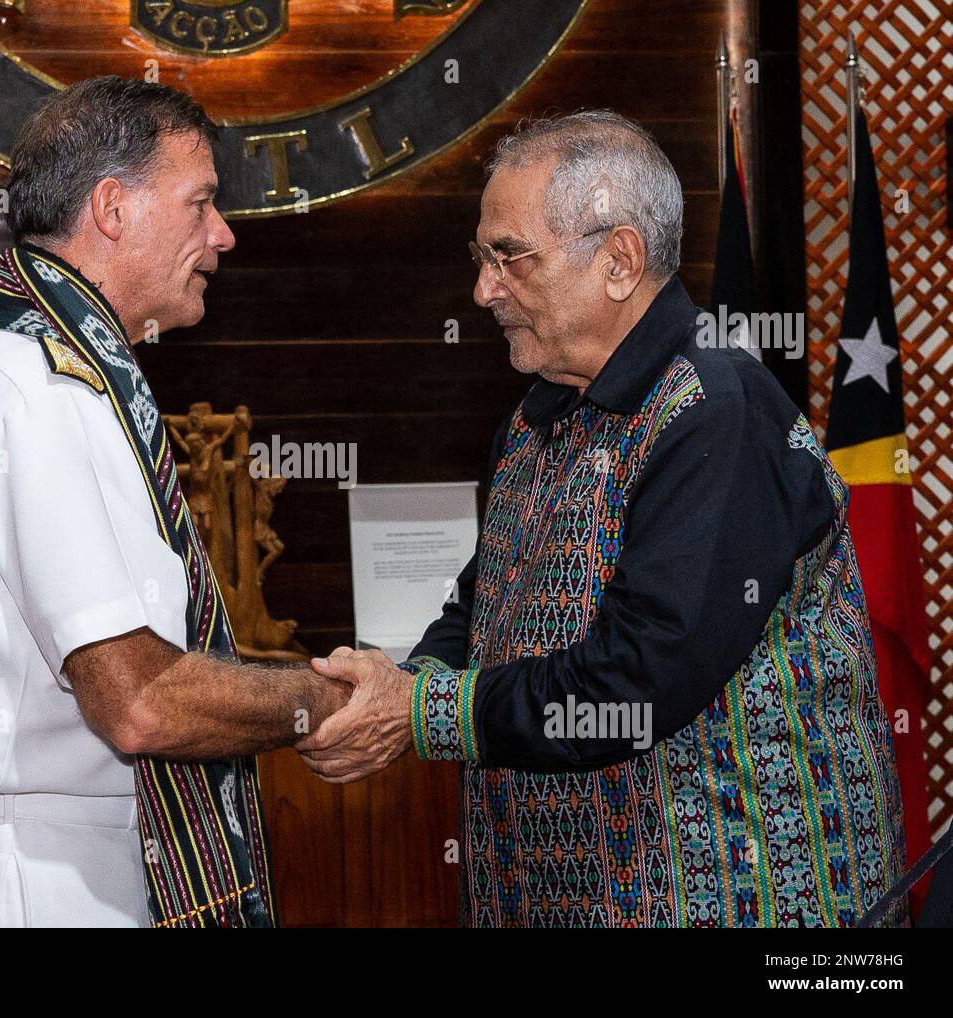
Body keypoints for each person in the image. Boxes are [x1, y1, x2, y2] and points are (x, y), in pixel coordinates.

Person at [299, 110, 908, 928]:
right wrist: (407, 685)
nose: (484, 289)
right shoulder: (535, 420)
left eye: (509, 257)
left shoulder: (716, 417)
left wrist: (417, 713)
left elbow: (637, 684)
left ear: (618, 260)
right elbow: (481, 612)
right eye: (482, 259)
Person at [0, 76, 346, 928]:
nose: (223, 236)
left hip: (56, 858)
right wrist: (331, 702)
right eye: (201, 203)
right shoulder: (41, 396)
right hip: (43, 880)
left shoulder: (47, 377)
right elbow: (141, 701)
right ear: (113, 208)